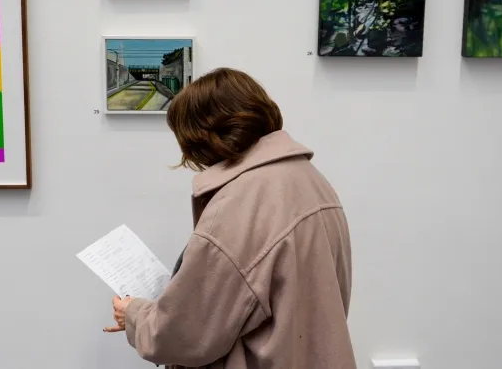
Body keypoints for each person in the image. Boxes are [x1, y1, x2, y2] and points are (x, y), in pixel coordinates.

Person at [104, 68, 357, 369]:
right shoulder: (311, 180)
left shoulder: (240, 204)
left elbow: (183, 336)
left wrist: (133, 314)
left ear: (200, 136)